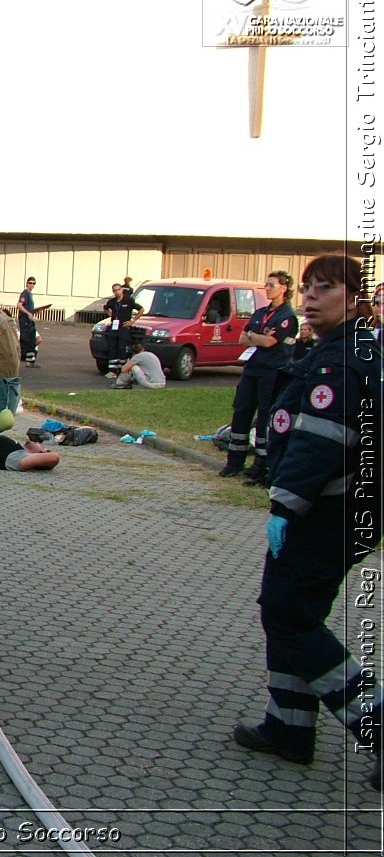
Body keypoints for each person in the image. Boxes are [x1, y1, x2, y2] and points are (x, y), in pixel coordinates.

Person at [233, 254, 382, 790]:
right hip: (344, 509)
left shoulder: (340, 361)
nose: (311, 296)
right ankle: (288, 728)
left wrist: (284, 505)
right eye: (308, 287)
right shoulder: (345, 350)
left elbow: (320, 442)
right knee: (295, 615)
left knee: (287, 615)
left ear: (354, 296)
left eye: (327, 287)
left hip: (327, 510)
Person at [219, 270, 298, 484]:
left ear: (284, 288)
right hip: (252, 369)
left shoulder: (287, 317)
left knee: (265, 417)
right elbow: (242, 337)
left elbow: (270, 343)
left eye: (272, 285)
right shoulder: (260, 313)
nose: (267, 288)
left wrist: (255, 337)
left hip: (272, 372)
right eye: (266, 285)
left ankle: (261, 465)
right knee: (241, 411)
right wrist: (257, 337)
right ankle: (234, 461)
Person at [101, 283, 144, 376]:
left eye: (118, 289)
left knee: (122, 348)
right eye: (115, 290)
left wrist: (132, 321)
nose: (117, 292)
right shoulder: (112, 302)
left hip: (124, 327)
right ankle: (112, 371)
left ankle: (122, 370)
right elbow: (105, 308)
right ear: (113, 292)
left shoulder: (128, 300)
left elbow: (141, 310)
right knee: (112, 348)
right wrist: (110, 315)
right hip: (114, 327)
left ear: (122, 290)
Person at [17, 277, 43, 366]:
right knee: (26, 340)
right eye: (30, 283)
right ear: (26, 283)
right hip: (25, 321)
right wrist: (28, 313)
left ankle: (29, 360)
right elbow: (19, 305)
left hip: (29, 320)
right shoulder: (25, 294)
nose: (32, 285)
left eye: (33, 283)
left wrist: (34, 311)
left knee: (31, 341)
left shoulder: (30, 295)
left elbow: (27, 308)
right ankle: (24, 358)